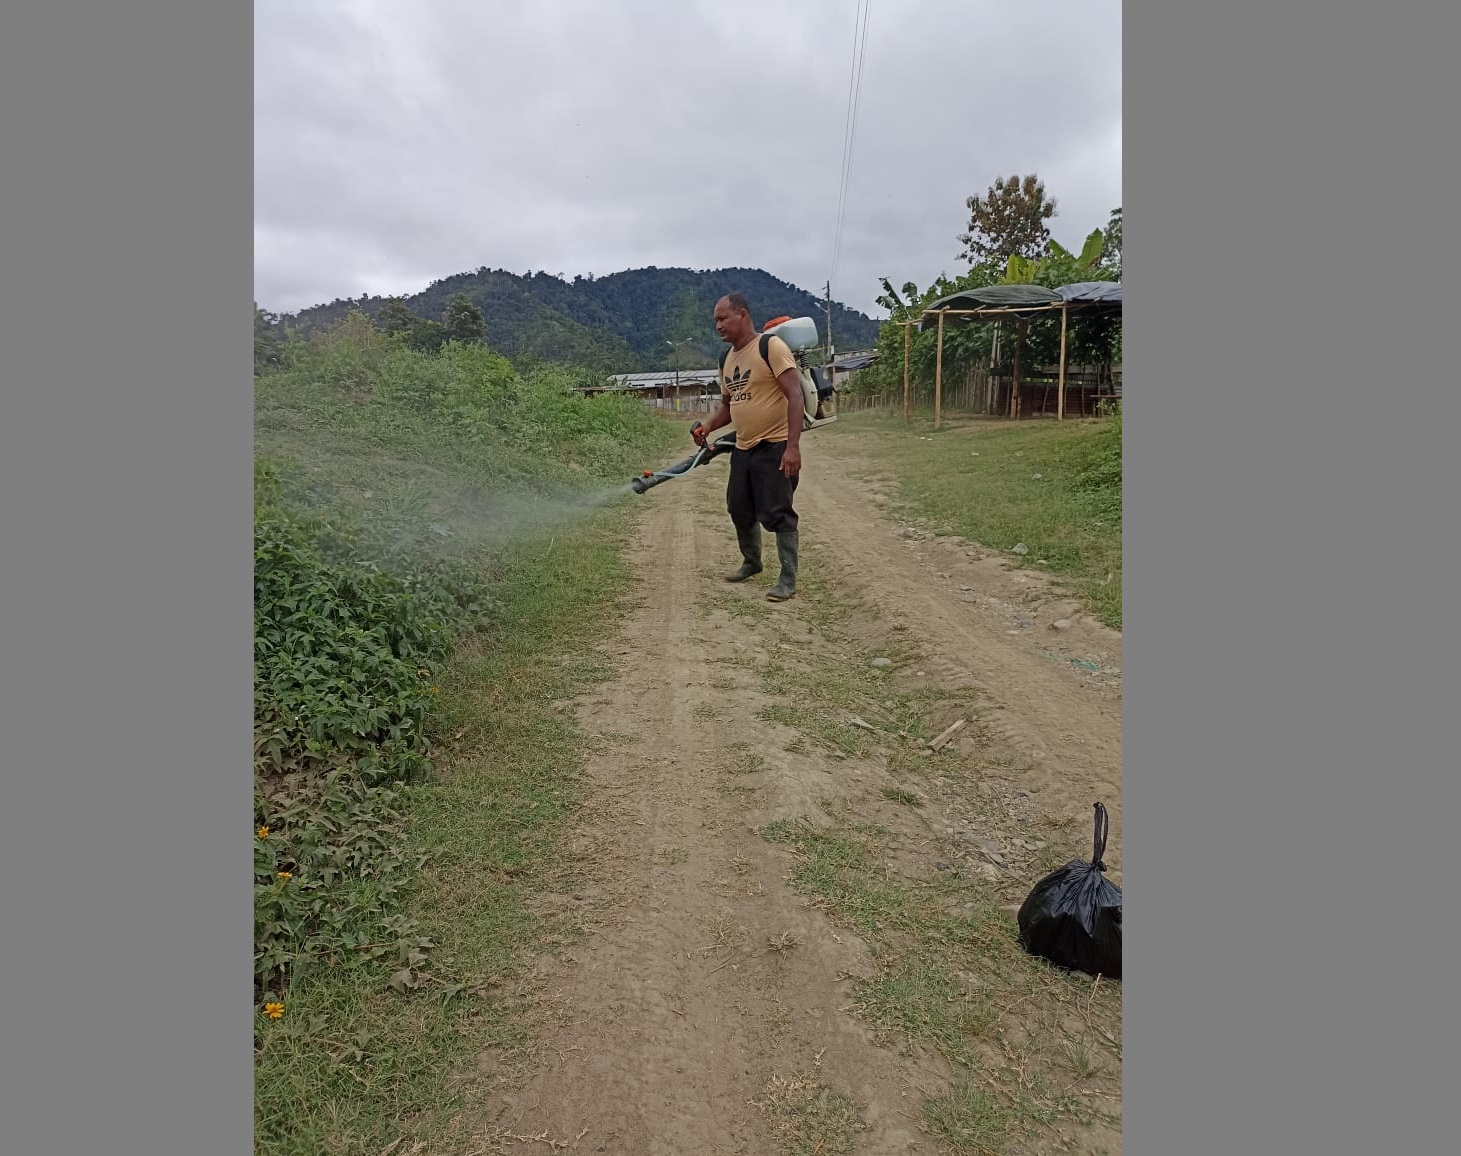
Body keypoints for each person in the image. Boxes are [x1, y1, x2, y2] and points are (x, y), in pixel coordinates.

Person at [692, 293, 803, 602]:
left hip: (775, 444)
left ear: (742, 315)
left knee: (778, 512)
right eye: (715, 320)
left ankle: (788, 578)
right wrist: (708, 427)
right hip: (744, 446)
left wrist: (792, 447)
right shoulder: (726, 359)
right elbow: (729, 407)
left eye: (722, 318)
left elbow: (795, 396)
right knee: (738, 506)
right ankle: (752, 562)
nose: (718, 325)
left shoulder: (770, 347)